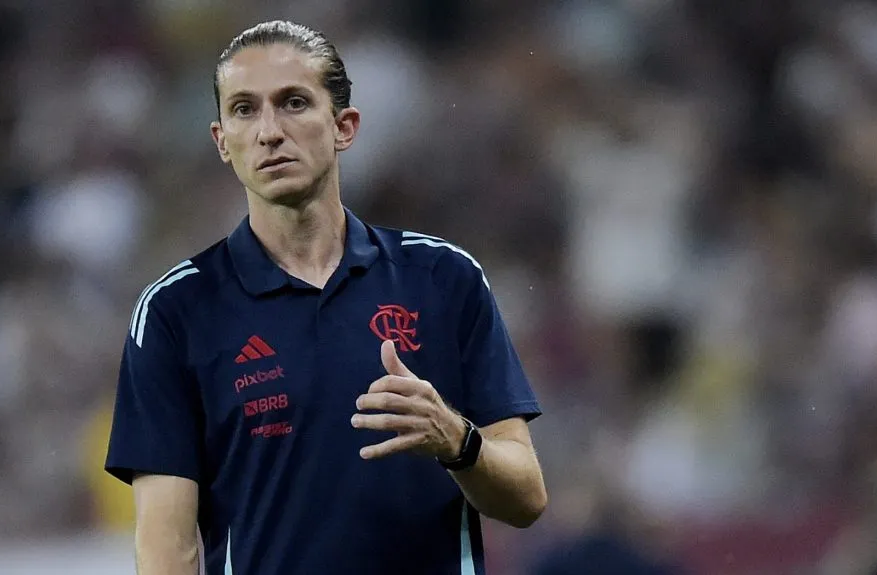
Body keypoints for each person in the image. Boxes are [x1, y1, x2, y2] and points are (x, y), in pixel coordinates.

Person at [104, 20, 547, 575]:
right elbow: (166, 551)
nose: (269, 130)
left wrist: (456, 439)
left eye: (293, 103)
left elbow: (526, 499)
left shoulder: (442, 278)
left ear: (344, 126)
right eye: (244, 109)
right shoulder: (176, 311)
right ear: (222, 141)